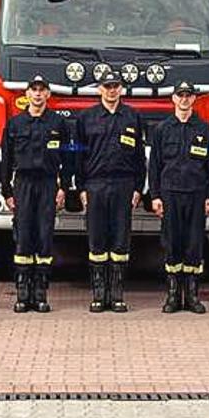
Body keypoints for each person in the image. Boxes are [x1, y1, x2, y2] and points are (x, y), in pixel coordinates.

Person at [71, 70, 145, 313]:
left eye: (116, 86)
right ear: (99, 89)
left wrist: (138, 188)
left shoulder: (132, 117)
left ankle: (117, 294)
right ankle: (98, 294)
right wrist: (80, 187)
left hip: (124, 185)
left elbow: (139, 157)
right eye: (107, 86)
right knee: (97, 240)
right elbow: (78, 156)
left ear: (121, 89)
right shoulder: (86, 118)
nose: (112, 90)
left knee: (121, 240)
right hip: (95, 184)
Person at [148, 81, 209, 314]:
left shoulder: (205, 129)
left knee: (194, 244)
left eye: (189, 96)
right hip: (170, 194)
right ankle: (172, 296)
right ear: (174, 99)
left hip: (196, 194)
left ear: (194, 99)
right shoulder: (162, 129)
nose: (185, 99)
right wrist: (156, 196)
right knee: (172, 244)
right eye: (181, 95)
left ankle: (192, 296)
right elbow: (155, 166)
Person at [0, 75, 65, 313]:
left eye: (42, 90)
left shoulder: (58, 124)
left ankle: (41, 291)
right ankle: (22, 292)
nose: (37, 94)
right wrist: (6, 190)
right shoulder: (15, 124)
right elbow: (6, 160)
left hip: (48, 183)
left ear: (48, 94)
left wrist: (64, 187)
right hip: (23, 184)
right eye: (33, 90)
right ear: (27, 94)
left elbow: (67, 158)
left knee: (44, 236)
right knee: (23, 235)